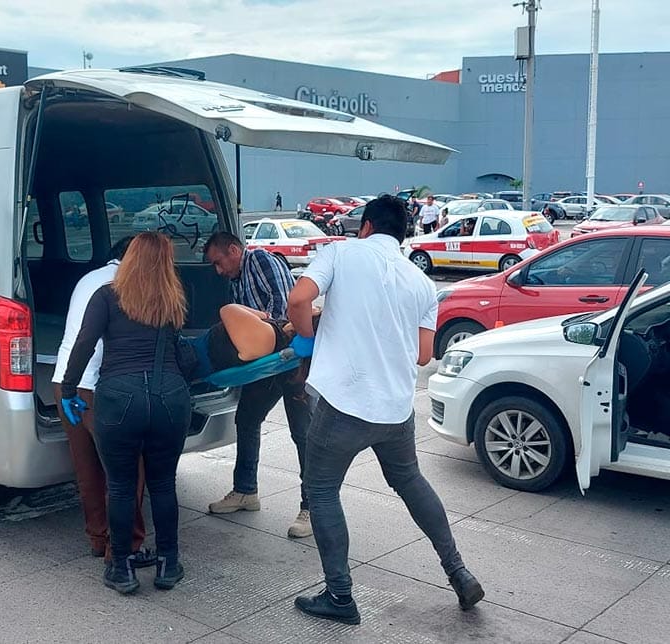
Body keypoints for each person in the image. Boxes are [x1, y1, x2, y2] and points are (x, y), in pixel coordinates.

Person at [286, 195, 484, 625]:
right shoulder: (420, 282)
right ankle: (458, 572)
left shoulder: (339, 251)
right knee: (410, 481)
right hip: (396, 410)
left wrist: (309, 338)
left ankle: (340, 597)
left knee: (320, 491)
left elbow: (299, 300)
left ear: (366, 226)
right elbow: (423, 354)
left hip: (344, 404)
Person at [61, 233, 191, 595]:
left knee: (119, 486)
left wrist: (69, 391)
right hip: (170, 397)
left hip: (119, 398)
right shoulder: (174, 299)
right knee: (163, 484)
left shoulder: (106, 296)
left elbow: (84, 343)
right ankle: (168, 563)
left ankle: (122, 568)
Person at [52, 236, 155, 567]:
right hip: (100, 387)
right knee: (127, 471)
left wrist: (68, 387)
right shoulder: (128, 285)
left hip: (64, 382)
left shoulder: (88, 279)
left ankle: (98, 539)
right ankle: (126, 548)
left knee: (87, 468)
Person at [203, 232, 313, 538]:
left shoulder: (261, 261)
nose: (218, 270)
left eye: (219, 262)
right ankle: (245, 491)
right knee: (247, 419)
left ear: (235, 250)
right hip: (264, 364)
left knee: (303, 433)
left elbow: (283, 313)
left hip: (290, 359)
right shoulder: (235, 279)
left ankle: (313, 506)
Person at [183, 303, 321, 380]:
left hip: (190, 356)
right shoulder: (277, 335)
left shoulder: (267, 337)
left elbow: (227, 309)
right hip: (195, 354)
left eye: (317, 310)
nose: (314, 307)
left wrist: (263, 315)